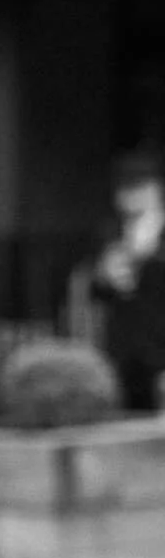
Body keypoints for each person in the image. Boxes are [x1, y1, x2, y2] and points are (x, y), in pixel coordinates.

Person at [90, 152, 165, 413]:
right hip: (124, 350)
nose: (131, 196)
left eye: (140, 188)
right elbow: (97, 292)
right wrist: (105, 276)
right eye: (126, 189)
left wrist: (146, 258)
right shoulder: (111, 232)